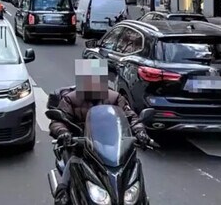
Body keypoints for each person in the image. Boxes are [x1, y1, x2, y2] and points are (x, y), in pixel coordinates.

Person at [48, 59, 150, 205]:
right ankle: (62, 194)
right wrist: (64, 133)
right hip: (80, 147)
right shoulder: (70, 99)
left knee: (133, 165)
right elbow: (57, 121)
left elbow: (131, 118)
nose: (92, 83)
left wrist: (140, 132)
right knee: (72, 164)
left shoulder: (115, 98)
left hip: (112, 147)